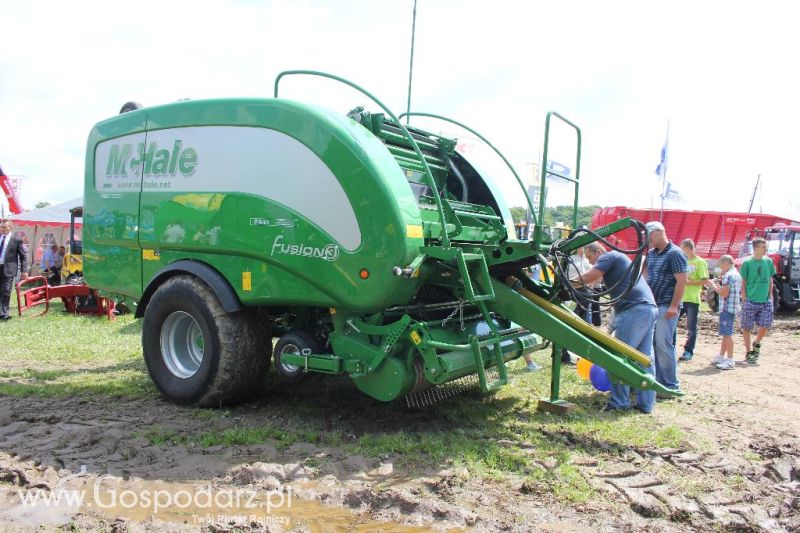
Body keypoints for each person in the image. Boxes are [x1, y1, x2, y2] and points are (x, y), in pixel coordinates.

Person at [573, 242, 658, 413]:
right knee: (644, 359)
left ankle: (619, 403)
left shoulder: (608, 256)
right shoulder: (618, 261)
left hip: (633, 309)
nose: (590, 262)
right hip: (647, 308)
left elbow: (589, 277)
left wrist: (564, 283)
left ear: (598, 251)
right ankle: (646, 404)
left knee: (619, 358)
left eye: (590, 257)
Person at [644, 221, 688, 393]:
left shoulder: (675, 253)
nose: (648, 241)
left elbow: (681, 280)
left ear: (656, 233)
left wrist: (674, 306)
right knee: (654, 343)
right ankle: (659, 381)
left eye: (648, 237)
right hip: (654, 304)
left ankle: (670, 385)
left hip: (667, 305)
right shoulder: (652, 254)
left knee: (663, 343)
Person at [739, 237, 775, 364]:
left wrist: (770, 297)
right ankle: (749, 352)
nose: (766, 249)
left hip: (765, 301)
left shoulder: (768, 261)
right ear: (755, 248)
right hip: (750, 300)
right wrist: (744, 299)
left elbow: (770, 279)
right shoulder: (747, 263)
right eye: (763, 247)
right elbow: (743, 282)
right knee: (747, 327)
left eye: (766, 247)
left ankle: (757, 342)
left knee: (765, 325)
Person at [705, 255, 742, 370]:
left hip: (726, 308)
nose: (721, 268)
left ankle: (730, 360)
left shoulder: (728, 276)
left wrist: (713, 286)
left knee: (727, 334)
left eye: (721, 266)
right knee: (726, 333)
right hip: (733, 307)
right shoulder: (736, 274)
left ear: (726, 264)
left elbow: (724, 294)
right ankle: (721, 356)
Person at [678, 239, 708, 361]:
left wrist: (689, 282)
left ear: (688, 248)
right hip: (680, 298)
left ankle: (688, 351)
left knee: (691, 328)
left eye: (682, 249)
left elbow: (704, 280)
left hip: (692, 300)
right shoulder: (682, 261)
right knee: (671, 325)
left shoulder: (700, 262)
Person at [0, 221, 29, 320]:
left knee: (6, 290)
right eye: (1, 227)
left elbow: (23, 256)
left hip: (9, 269)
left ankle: (4, 313)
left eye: (4, 227)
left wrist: (24, 271)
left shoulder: (16, 239)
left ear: (10, 227)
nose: (2, 229)